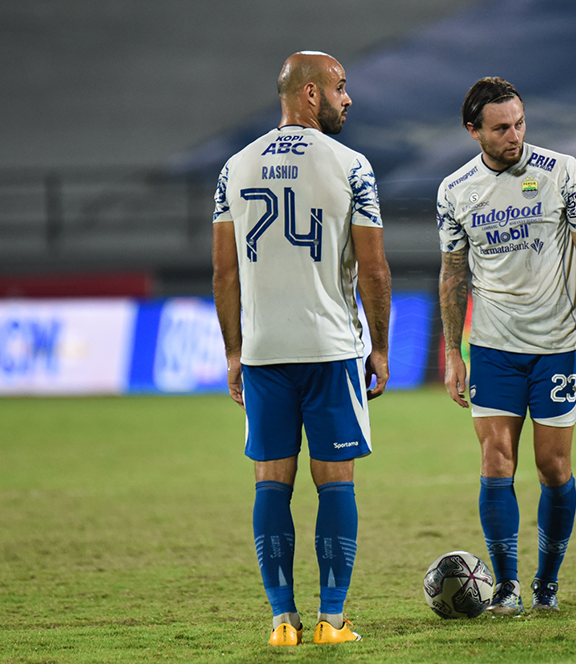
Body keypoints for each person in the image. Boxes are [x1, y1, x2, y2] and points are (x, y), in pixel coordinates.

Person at [212, 51, 391, 646]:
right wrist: (381, 348)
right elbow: (373, 270)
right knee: (334, 478)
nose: (348, 99)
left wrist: (235, 352)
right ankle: (332, 619)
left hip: (264, 351)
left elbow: (224, 274)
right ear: (310, 93)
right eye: (340, 88)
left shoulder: (234, 168)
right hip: (328, 345)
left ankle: (282, 622)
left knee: (271, 481)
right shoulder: (351, 165)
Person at [436, 77, 576, 615]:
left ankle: (547, 584)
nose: (514, 136)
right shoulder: (455, 191)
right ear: (473, 131)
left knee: (553, 468)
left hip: (556, 345)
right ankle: (509, 588)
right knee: (495, 462)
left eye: (519, 124)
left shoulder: (563, 173)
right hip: (491, 347)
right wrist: (452, 353)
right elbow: (452, 274)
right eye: (500, 128)